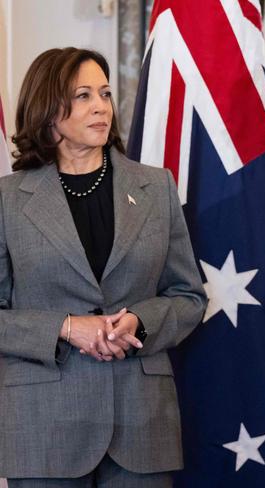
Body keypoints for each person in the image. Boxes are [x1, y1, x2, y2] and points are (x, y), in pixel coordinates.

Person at [0, 47, 207, 487]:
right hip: (43, 429)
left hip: (142, 424)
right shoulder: (7, 201)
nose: (101, 106)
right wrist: (67, 327)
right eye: (82, 95)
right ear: (47, 110)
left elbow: (189, 297)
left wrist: (139, 321)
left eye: (106, 93)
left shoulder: (156, 187)